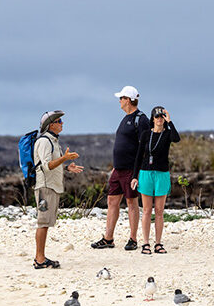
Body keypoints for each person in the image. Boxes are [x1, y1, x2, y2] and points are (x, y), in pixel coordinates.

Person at [92, 86, 149, 251]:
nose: (119, 101)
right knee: (112, 201)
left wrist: (137, 173)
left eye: (122, 98)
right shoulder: (126, 118)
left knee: (131, 202)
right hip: (118, 169)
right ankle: (108, 238)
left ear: (129, 100)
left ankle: (133, 238)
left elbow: (143, 147)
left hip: (131, 169)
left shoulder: (141, 119)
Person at [33, 110, 84, 269]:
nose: (62, 124)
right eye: (59, 121)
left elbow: (53, 165)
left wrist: (67, 167)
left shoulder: (53, 141)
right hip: (45, 187)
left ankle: (40, 257)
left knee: (46, 222)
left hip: (52, 187)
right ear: (51, 124)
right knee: (43, 222)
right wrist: (64, 158)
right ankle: (39, 259)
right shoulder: (44, 142)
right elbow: (46, 166)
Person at [132, 106, 180, 255]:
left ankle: (158, 243)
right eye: (157, 116)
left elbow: (176, 139)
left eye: (162, 116)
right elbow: (139, 156)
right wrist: (135, 176)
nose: (160, 119)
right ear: (152, 119)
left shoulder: (167, 134)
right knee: (146, 210)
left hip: (162, 174)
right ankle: (145, 243)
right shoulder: (146, 134)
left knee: (159, 211)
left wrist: (170, 122)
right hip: (146, 173)